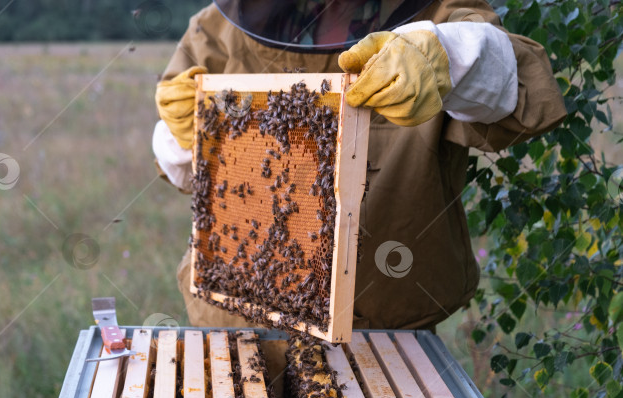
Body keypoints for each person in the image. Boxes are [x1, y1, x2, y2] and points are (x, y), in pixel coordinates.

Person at [153, 0, 566, 331]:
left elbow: (521, 89)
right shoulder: (217, 28)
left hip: (383, 330)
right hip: (236, 322)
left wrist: (449, 56)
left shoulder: (440, 13)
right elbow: (189, 174)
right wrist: (182, 137)